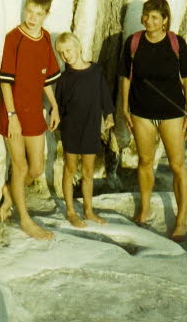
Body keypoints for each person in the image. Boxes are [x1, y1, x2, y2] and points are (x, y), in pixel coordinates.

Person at [118, 0, 187, 242]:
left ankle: (181, 219)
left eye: (154, 17)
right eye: (145, 15)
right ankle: (145, 208)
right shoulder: (134, 42)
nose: (147, 21)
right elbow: (125, 77)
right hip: (141, 112)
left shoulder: (176, 43)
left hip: (172, 114)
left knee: (176, 165)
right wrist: (124, 108)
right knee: (144, 161)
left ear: (165, 21)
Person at [0, 0, 61, 239]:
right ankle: (24, 219)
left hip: (34, 111)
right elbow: (5, 81)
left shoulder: (45, 39)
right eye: (29, 11)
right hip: (13, 111)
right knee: (20, 167)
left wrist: (54, 106)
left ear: (46, 14)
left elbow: (46, 79)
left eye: (38, 13)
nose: (32, 17)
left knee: (36, 168)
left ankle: (9, 195)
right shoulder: (14, 38)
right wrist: (11, 117)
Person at [55, 32, 114, 228]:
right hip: (71, 129)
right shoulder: (64, 78)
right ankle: (71, 211)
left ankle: (88, 210)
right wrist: (59, 128)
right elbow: (60, 106)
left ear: (79, 48)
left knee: (88, 171)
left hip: (90, 128)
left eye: (69, 50)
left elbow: (105, 94)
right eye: (62, 53)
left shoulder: (96, 71)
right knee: (70, 169)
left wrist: (109, 114)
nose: (66, 55)